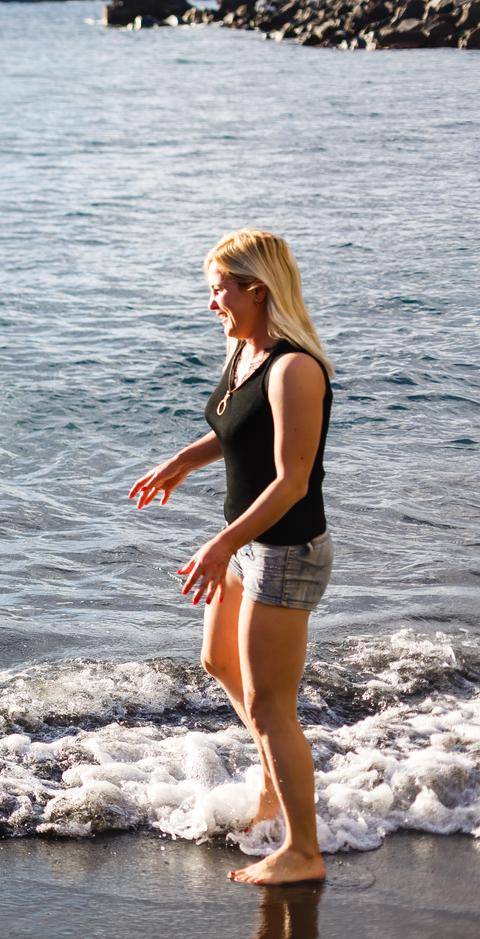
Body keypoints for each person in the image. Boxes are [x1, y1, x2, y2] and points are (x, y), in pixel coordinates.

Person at [129, 229, 334, 885]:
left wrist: (221, 544)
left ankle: (304, 849)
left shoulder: (294, 368)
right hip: (252, 548)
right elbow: (235, 430)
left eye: (219, 288)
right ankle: (276, 785)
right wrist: (184, 460)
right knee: (218, 660)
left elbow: (291, 480)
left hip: (284, 551)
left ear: (256, 288)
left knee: (273, 705)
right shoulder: (246, 351)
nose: (212, 301)